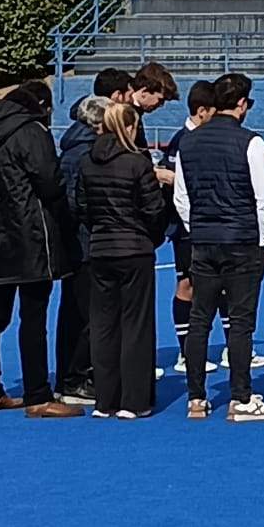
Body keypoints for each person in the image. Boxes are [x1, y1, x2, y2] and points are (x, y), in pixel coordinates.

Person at [0, 80, 80, 417]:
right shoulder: (32, 134)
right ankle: (38, 395)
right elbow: (51, 183)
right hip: (31, 239)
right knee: (33, 316)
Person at [174, 71, 264, 421]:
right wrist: (263, 241)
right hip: (243, 241)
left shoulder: (187, 142)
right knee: (240, 321)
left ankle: (196, 398)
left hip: (203, 242)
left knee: (200, 317)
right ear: (242, 104)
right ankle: (241, 397)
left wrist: (200, 227)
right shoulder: (252, 142)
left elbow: (182, 197)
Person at [78, 102, 171, 419]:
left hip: (101, 249)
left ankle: (105, 399)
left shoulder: (86, 162)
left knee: (103, 325)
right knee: (137, 325)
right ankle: (134, 400)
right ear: (128, 128)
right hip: (134, 250)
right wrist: (152, 235)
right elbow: (153, 210)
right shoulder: (137, 163)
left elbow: (82, 207)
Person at [155, 80, 216, 372]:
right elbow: (171, 181)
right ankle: (185, 353)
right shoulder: (183, 140)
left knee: (221, 284)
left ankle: (219, 348)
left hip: (210, 223)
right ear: (202, 111)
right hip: (187, 227)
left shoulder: (205, 138)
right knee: (187, 284)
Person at [53, 95, 109, 405]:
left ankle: (73, 376)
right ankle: (75, 379)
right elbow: (76, 204)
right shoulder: (83, 154)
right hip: (84, 245)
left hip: (79, 244)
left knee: (77, 314)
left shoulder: (74, 149)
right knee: (83, 315)